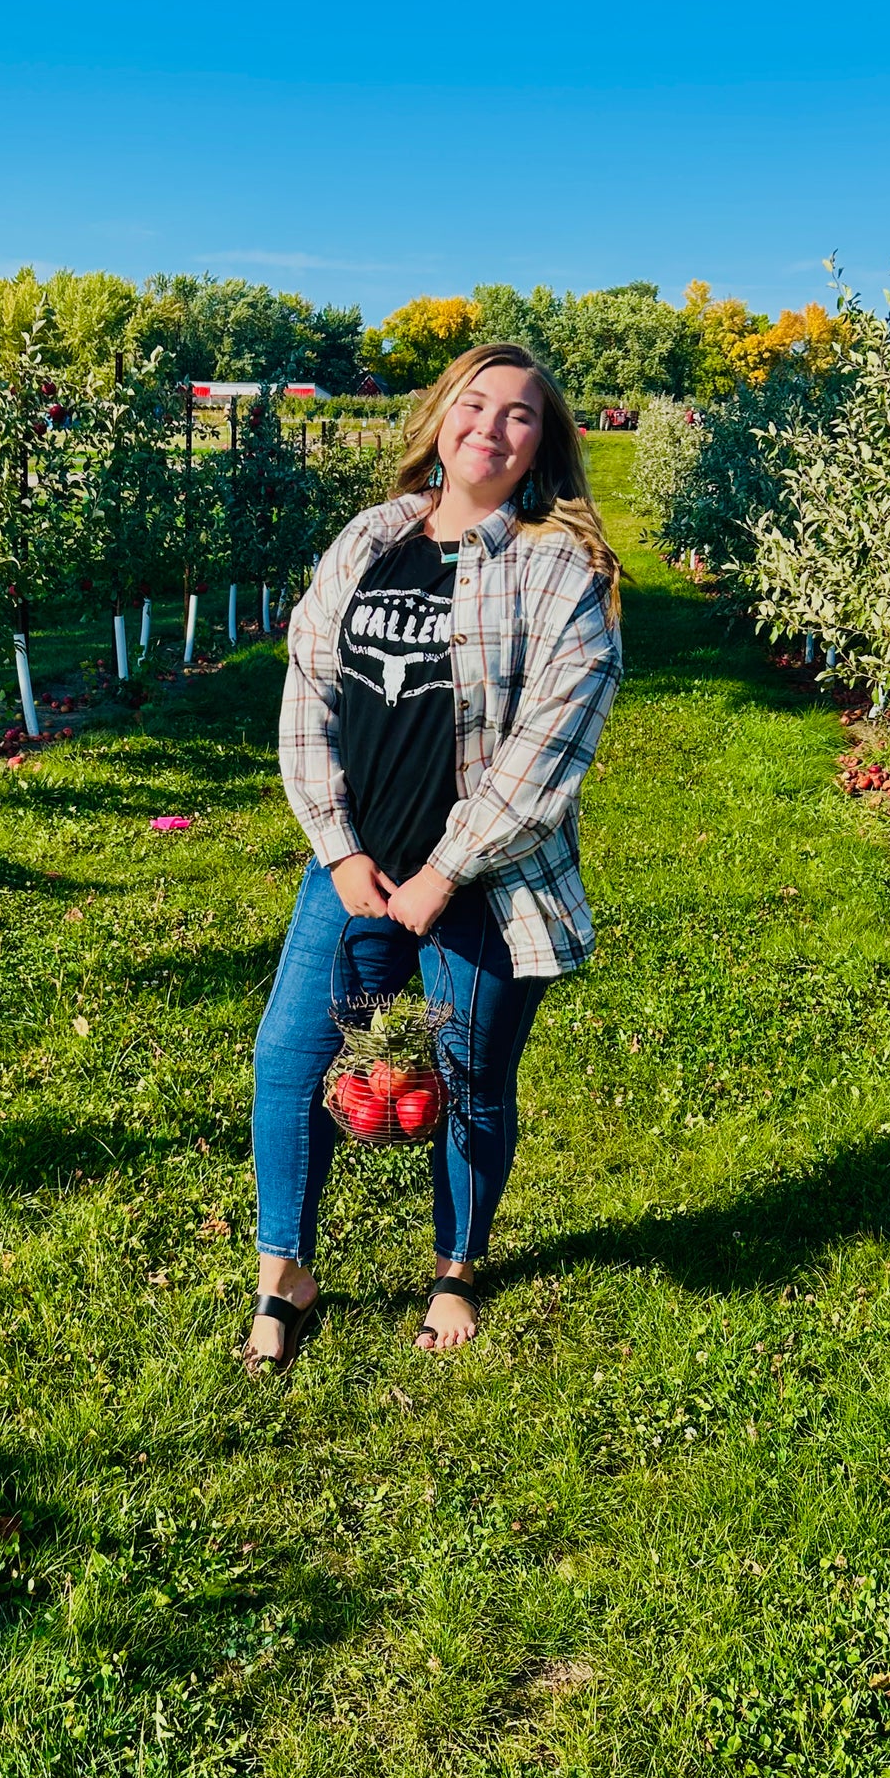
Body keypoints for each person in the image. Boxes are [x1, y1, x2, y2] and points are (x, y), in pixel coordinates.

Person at [243, 342, 623, 1373]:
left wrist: (443, 873)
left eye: (518, 415)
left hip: (484, 884)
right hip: (358, 867)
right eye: (475, 403)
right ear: (440, 417)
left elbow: (553, 744)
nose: (489, 427)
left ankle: (454, 1266)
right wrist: (336, 849)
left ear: (542, 446)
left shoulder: (557, 570)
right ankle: (285, 1272)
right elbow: (306, 694)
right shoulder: (370, 536)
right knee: (290, 1059)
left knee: (468, 1078)